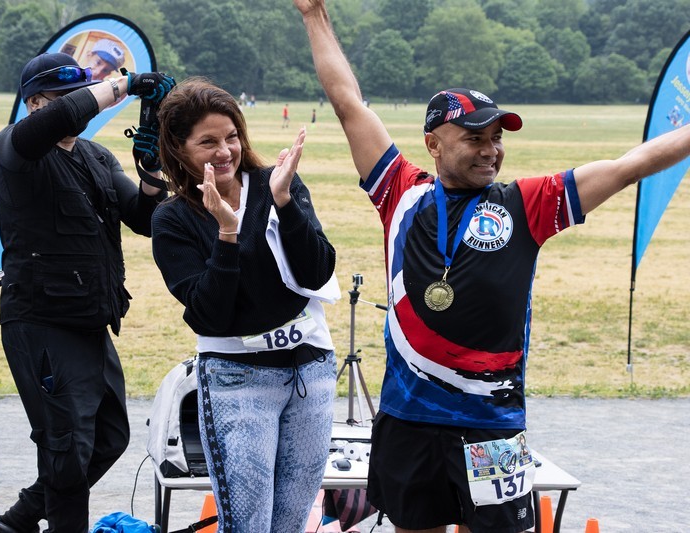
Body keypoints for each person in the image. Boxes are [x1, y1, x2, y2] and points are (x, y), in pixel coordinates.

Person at [295, 1, 690, 532]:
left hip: (494, 426)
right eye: (475, 138)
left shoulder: (527, 204)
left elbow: (627, 167)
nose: (491, 151)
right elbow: (348, 103)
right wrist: (314, 14)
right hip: (409, 421)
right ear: (434, 144)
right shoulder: (400, 192)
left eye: (497, 138)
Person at [0, 53, 172, 533]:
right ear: (35, 103)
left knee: (109, 437)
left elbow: (144, 219)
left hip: (91, 320)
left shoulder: (96, 157)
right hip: (41, 321)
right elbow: (67, 115)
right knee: (67, 449)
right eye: (63, 99)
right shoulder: (14, 150)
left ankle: (15, 522)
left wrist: (151, 172)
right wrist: (127, 85)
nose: (79, 108)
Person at [151, 77, 338, 533]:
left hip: (310, 370)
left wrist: (286, 203)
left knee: (291, 523)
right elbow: (209, 313)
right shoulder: (173, 219)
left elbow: (317, 271)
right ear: (178, 148)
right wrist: (227, 233)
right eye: (208, 142)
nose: (224, 151)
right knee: (249, 524)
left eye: (232, 136)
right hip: (237, 378)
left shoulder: (278, 184)